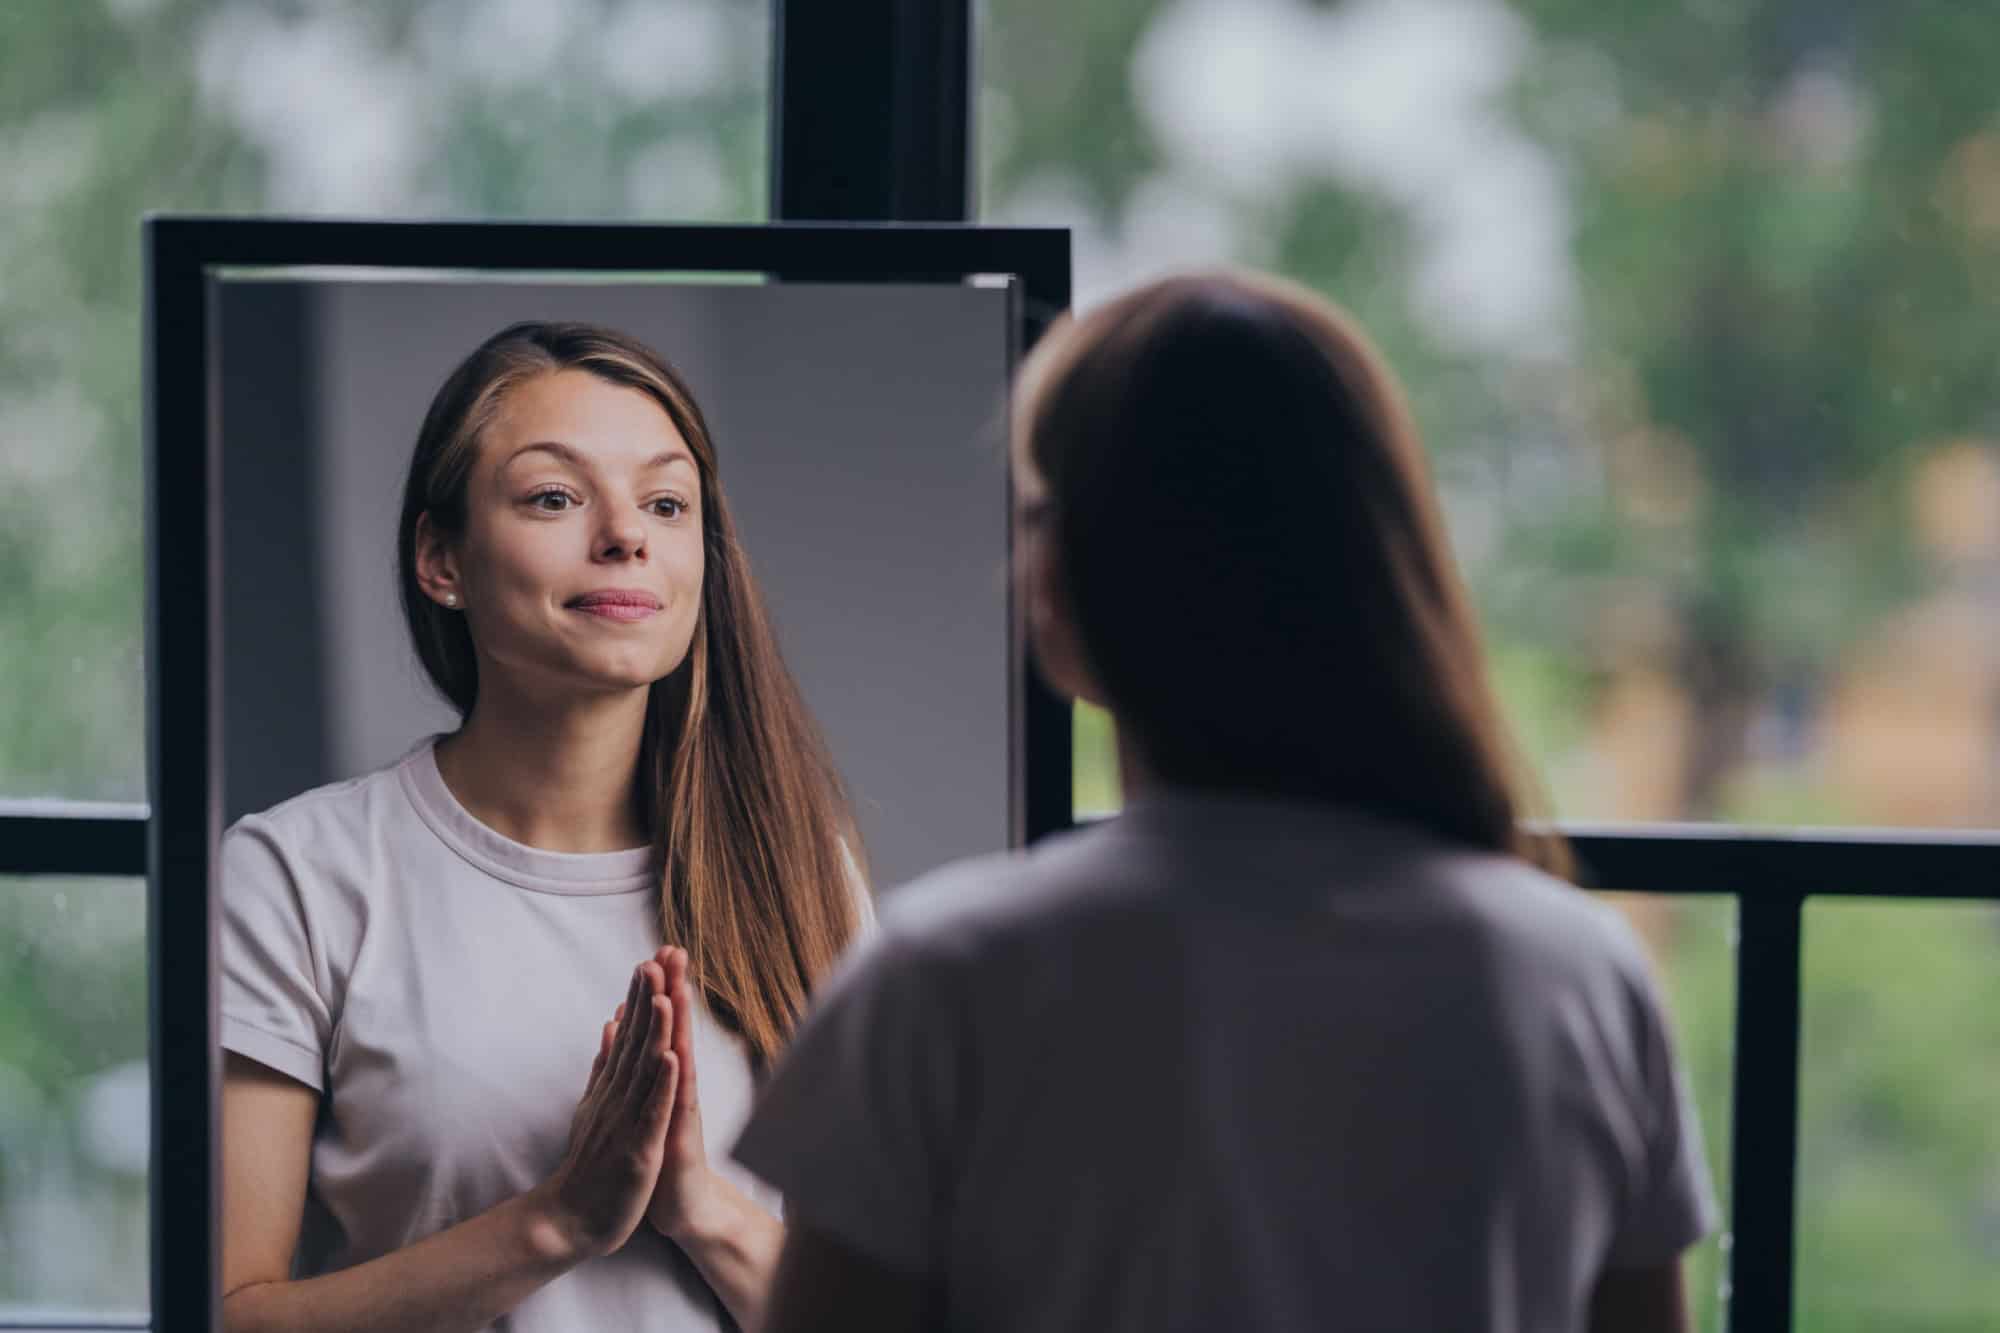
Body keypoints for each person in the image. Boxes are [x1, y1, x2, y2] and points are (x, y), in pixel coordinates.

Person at [732, 271, 1720, 1333]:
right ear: (1382, 558)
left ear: (1060, 577)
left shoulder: (943, 984)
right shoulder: (1578, 977)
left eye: (1029, 515)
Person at [218, 321, 870, 1333]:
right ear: (441, 558)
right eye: (555, 497)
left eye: (664, 502)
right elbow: (229, 1315)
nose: (625, 535)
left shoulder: (804, 875)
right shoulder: (295, 873)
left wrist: (697, 1205)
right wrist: (557, 1219)